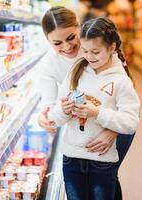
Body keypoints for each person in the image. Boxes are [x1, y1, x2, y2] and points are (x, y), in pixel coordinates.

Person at [38, 6, 136, 199]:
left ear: (79, 28)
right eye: (57, 43)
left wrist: (111, 131)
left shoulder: (95, 47)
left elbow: (125, 97)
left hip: (114, 123)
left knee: (108, 176)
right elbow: (50, 106)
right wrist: (46, 117)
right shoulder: (49, 64)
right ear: (48, 42)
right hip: (83, 130)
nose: (67, 47)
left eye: (71, 38)